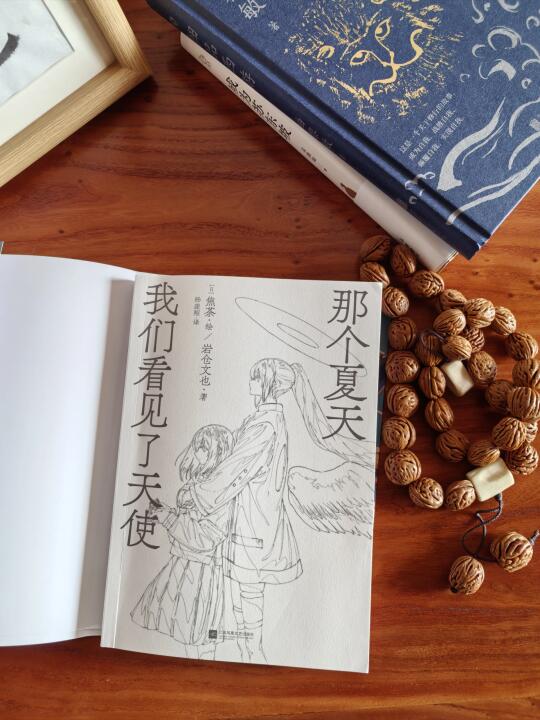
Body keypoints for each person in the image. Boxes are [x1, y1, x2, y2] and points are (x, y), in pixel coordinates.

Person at [188, 358, 376, 663]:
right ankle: (248, 651)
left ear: (269, 384)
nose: (250, 382)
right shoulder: (266, 420)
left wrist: (199, 493)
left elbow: (236, 468)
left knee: (248, 590)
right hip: (256, 517)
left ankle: (252, 653)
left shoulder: (264, 425)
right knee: (244, 590)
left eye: (256, 377)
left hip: (254, 520)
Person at [131, 424, 234, 660]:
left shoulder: (219, 495)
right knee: (183, 633)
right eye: (197, 446)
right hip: (182, 566)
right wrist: (168, 514)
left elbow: (205, 538)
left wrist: (169, 518)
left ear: (219, 455)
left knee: (197, 635)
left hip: (200, 573)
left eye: (204, 448)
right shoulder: (197, 486)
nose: (198, 452)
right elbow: (186, 529)